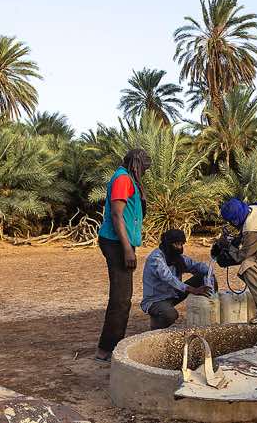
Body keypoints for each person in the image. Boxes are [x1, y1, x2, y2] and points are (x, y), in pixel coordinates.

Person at [95, 148, 152, 362]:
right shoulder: (122, 179)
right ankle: (106, 349)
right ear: (136, 164)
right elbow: (117, 215)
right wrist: (127, 248)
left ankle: (109, 347)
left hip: (121, 242)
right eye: (144, 167)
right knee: (121, 298)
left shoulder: (127, 178)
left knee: (123, 297)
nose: (145, 172)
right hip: (117, 243)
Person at [141, 229, 215, 329]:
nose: (179, 247)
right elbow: (169, 278)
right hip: (156, 300)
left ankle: (211, 307)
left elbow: (194, 265)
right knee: (171, 315)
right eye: (176, 244)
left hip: (173, 294)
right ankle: (155, 328)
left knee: (204, 276)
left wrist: (208, 271)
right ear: (168, 243)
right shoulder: (156, 258)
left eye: (181, 244)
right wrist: (193, 290)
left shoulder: (177, 257)